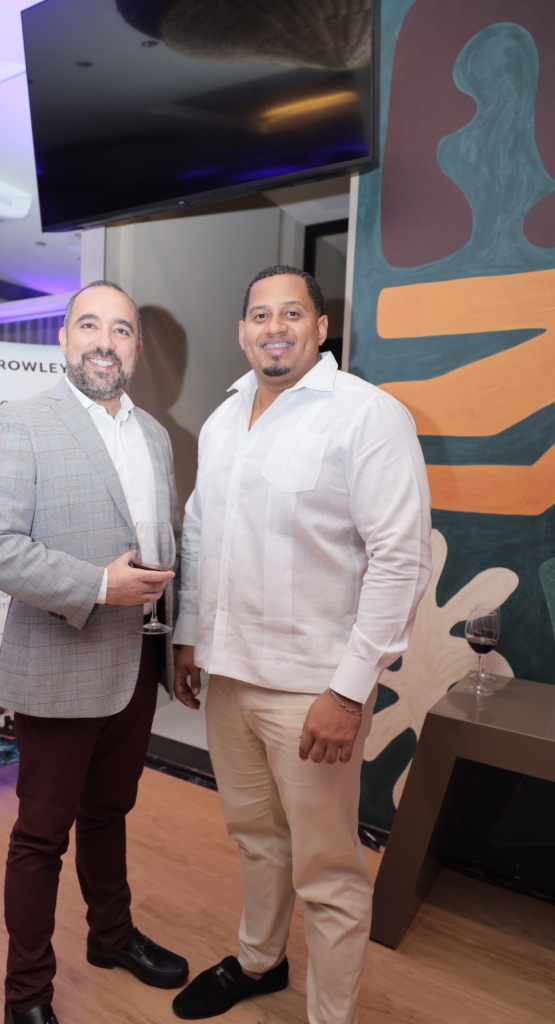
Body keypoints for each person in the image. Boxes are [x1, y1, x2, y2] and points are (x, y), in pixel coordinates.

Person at [171, 266, 432, 1024]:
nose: (274, 327)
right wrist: (188, 638)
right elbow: (201, 533)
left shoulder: (366, 415)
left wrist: (348, 691)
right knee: (255, 838)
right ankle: (260, 961)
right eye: (260, 315)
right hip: (227, 679)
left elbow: (400, 559)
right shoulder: (223, 420)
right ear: (242, 331)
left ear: (320, 328)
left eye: (292, 314)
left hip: (314, 692)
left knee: (328, 870)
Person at [0, 280, 188, 1024]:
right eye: (89, 325)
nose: (104, 342)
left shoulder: (156, 436)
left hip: (138, 661)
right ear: (63, 339)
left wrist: (180, 635)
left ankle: (110, 937)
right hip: (60, 660)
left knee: (109, 812)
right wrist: (96, 584)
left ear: (136, 348)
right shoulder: (21, 423)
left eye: (120, 330)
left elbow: (167, 545)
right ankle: (26, 996)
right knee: (40, 836)